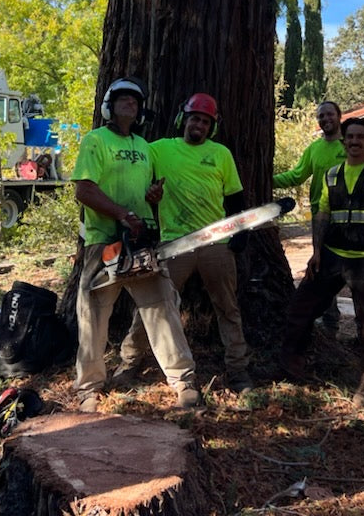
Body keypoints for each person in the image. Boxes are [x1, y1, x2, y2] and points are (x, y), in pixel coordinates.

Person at [71, 77, 200, 412]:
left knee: (162, 308)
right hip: (104, 242)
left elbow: (144, 192)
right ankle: (88, 387)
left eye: (135, 100)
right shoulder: (95, 141)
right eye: (123, 98)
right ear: (109, 106)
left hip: (140, 241)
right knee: (93, 315)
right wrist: (121, 214)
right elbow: (83, 190)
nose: (130, 103)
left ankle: (184, 382)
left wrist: (150, 198)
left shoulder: (145, 147)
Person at [116, 93, 254, 393]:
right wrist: (149, 193)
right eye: (195, 119)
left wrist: (241, 231)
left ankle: (238, 370)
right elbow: (136, 174)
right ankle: (129, 361)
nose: (199, 125)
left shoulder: (221, 154)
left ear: (211, 127)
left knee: (228, 307)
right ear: (183, 120)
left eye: (205, 122)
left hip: (216, 241)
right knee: (152, 306)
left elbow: (235, 198)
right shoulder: (160, 149)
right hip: (173, 242)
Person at [278, 116, 364, 408]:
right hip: (331, 256)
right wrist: (316, 251)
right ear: (344, 141)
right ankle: (290, 367)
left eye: (361, 137)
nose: (355, 141)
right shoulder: (331, 175)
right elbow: (322, 213)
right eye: (350, 137)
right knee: (299, 309)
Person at [273, 101, 346, 331]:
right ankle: (330, 322)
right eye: (321, 116)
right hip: (320, 218)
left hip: (348, 218)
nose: (325, 119)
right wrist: (267, 178)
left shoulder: (350, 144)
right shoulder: (314, 149)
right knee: (323, 269)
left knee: (354, 270)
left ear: (339, 116)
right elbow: (296, 175)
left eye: (329, 115)